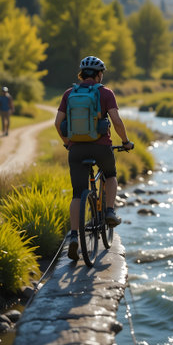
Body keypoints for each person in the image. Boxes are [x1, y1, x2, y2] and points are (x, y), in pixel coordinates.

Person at [55, 56, 134, 261]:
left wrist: (67, 143)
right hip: (101, 148)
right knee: (110, 175)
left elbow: (58, 123)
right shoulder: (105, 93)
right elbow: (116, 120)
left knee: (77, 194)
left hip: (76, 150)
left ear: (82, 74)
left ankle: (74, 237)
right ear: (99, 74)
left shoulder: (69, 93)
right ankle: (109, 211)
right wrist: (125, 141)